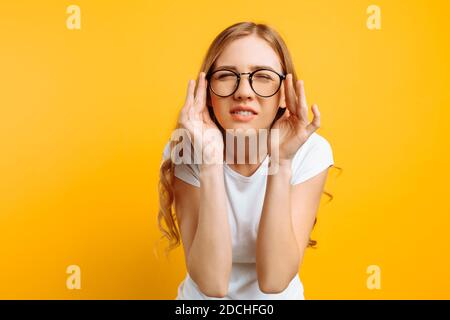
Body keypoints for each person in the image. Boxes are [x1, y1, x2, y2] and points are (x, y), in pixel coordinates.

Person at [158, 21, 335, 300]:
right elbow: (212, 283)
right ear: (207, 93)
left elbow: (275, 280)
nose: (243, 91)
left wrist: (281, 160)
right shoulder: (186, 150)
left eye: (262, 76)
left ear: (283, 95)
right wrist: (211, 162)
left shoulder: (311, 151)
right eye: (227, 75)